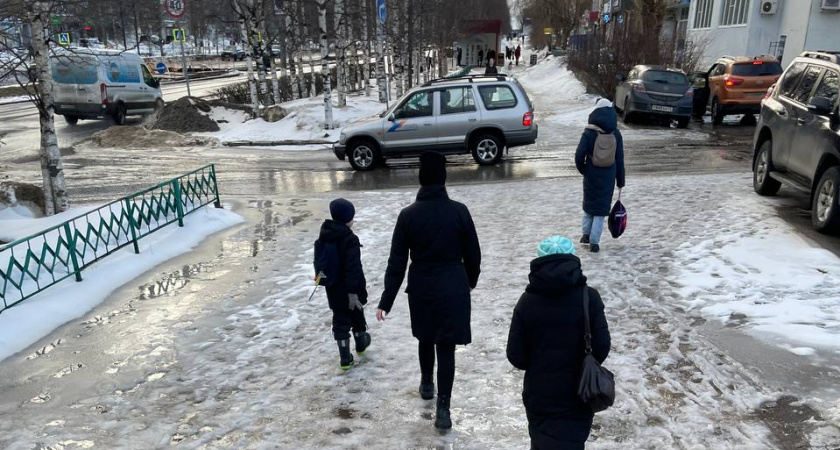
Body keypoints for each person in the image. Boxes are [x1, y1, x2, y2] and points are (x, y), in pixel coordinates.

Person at [377, 152, 481, 430]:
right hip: (453, 286)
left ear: (421, 178)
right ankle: (443, 409)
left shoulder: (408, 215)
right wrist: (469, 281)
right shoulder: (459, 211)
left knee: (425, 336)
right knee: (446, 346)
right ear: (444, 179)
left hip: (422, 286)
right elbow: (474, 254)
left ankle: (426, 383)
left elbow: (397, 262)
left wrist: (386, 300)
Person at [506, 236, 611, 450]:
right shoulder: (589, 297)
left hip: (540, 394)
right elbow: (602, 346)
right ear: (573, 260)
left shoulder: (527, 302)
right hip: (581, 392)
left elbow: (516, 356)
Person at [314, 198, 371, 370]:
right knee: (356, 312)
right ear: (347, 219)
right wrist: (353, 292)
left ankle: (345, 358)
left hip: (333, 287)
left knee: (340, 318)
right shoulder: (349, 238)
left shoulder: (324, 235)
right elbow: (352, 267)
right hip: (350, 287)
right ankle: (361, 342)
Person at [574, 98, 625, 253]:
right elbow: (620, 159)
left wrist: (584, 169)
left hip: (591, 173)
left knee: (589, 205)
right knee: (601, 210)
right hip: (608, 176)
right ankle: (594, 243)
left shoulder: (589, 132)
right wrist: (620, 181)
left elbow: (578, 155)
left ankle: (585, 235)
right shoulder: (616, 133)